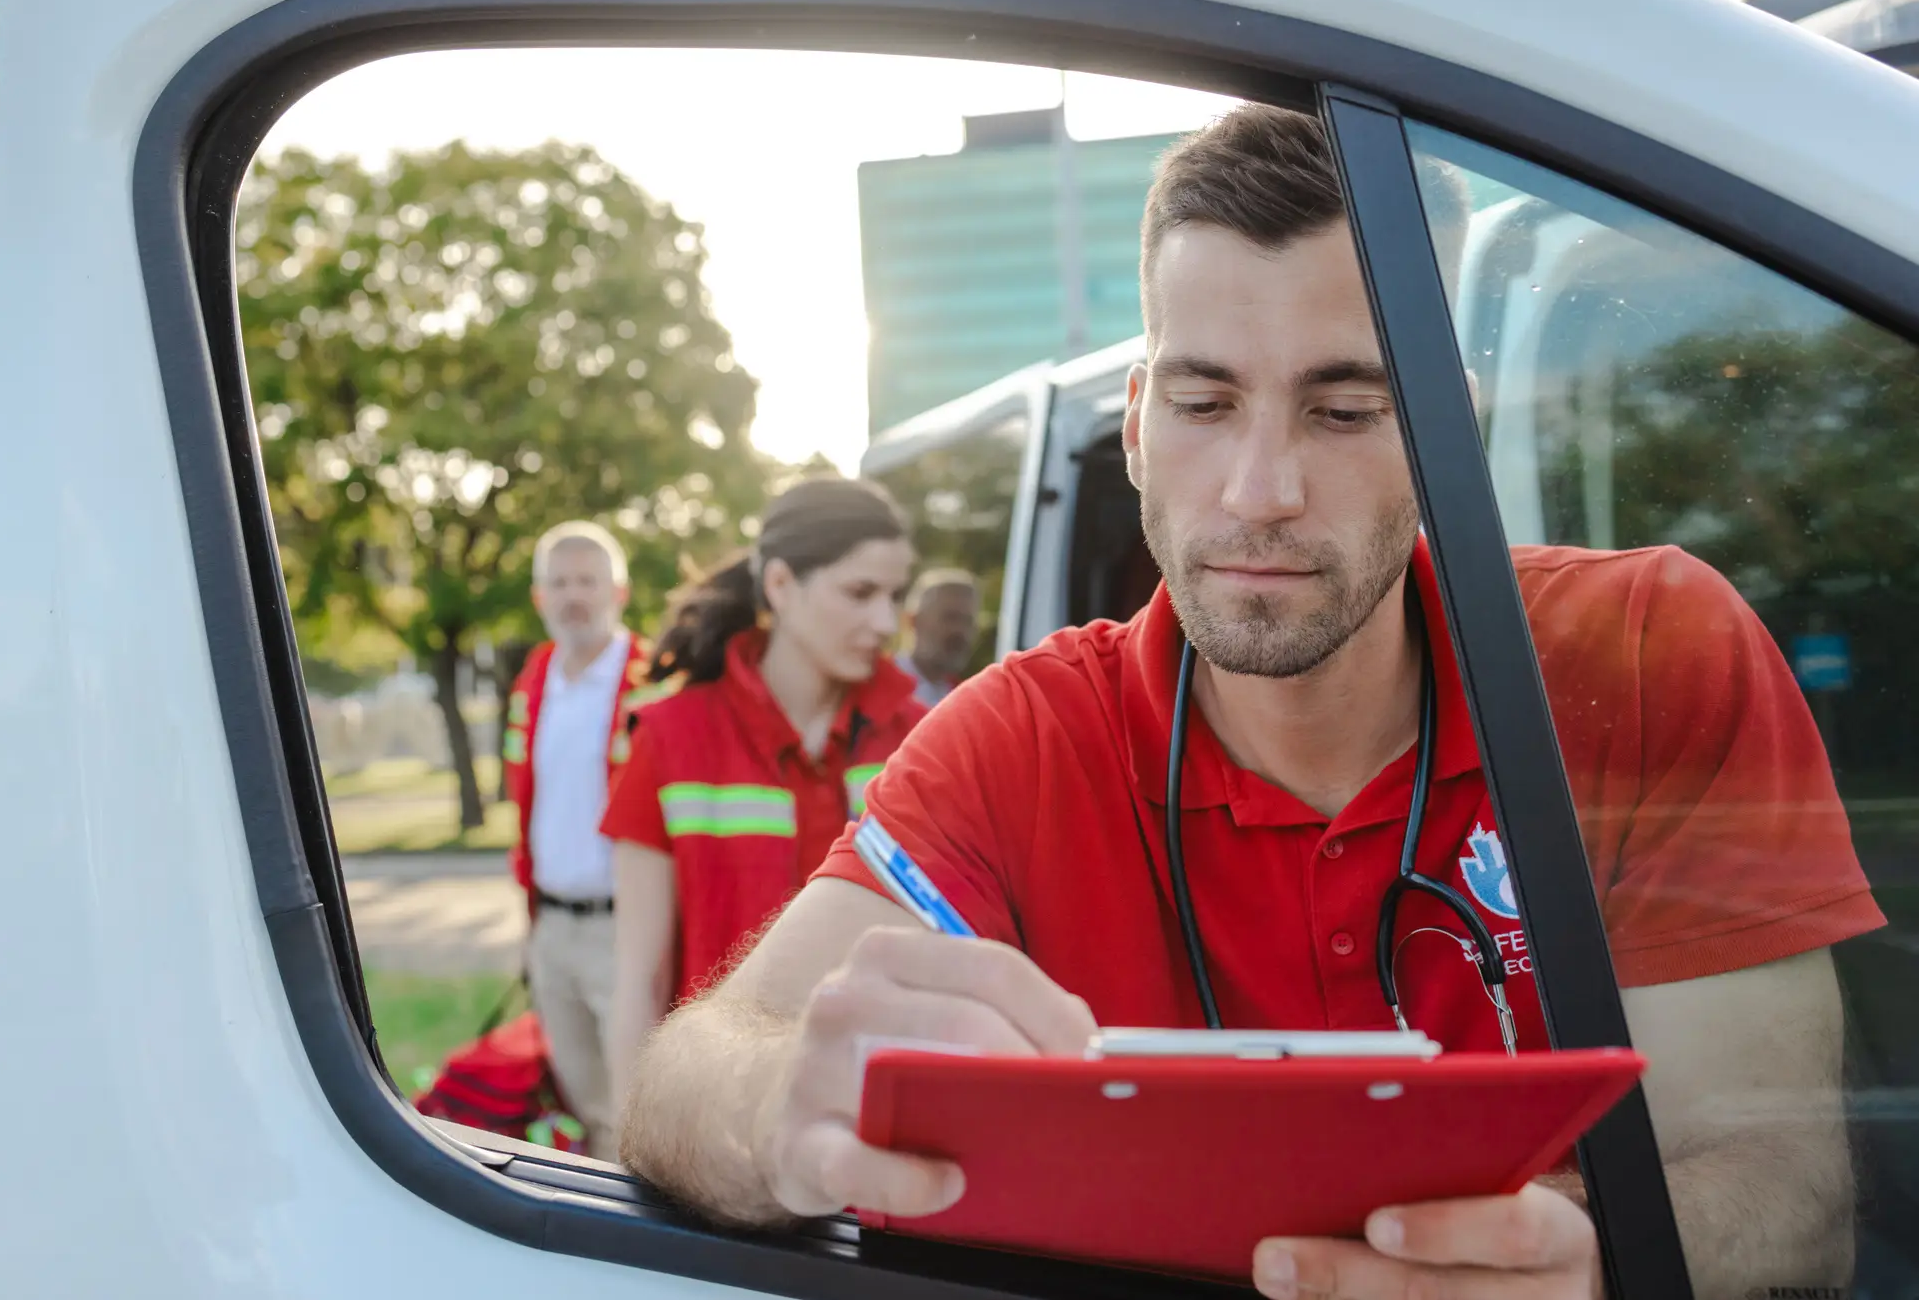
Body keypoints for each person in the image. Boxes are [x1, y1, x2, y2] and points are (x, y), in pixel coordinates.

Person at [616, 107, 1882, 1300]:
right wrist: (785, 1106)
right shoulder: (1024, 736)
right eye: (1203, 403)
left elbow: (1793, 1191)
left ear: (1448, 427)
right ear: (1133, 425)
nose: (1259, 488)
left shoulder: (1649, 651)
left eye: (1341, 409)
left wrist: (1593, 1255)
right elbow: (682, 1079)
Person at [598, 477, 928, 1115]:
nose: (886, 623)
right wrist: (630, 1159)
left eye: (894, 596)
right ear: (780, 584)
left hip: (880, 1121)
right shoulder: (670, 738)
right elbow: (640, 979)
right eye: (860, 592)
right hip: (717, 1126)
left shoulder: (923, 736)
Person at [500, 520, 659, 1160]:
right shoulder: (535, 682)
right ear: (540, 598)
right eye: (559, 583)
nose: (574, 597)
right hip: (553, 928)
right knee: (585, 1106)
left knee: (637, 1107)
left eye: (587, 581)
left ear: (619, 591)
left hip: (624, 928)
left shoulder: (653, 681)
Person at [895, 568, 980, 708]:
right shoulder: (872, 686)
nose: (959, 630)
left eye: (967, 621)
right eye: (950, 618)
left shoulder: (968, 700)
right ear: (913, 620)